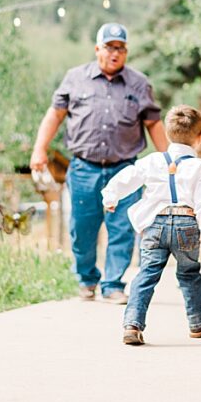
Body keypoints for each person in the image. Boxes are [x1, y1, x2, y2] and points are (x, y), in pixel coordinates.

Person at [30, 23, 167, 303]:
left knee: (122, 228)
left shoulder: (139, 83)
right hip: (83, 168)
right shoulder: (75, 78)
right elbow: (55, 115)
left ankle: (113, 284)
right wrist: (39, 149)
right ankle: (87, 279)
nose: (115, 53)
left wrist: (170, 161)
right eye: (110, 47)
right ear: (97, 49)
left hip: (125, 169)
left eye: (121, 48)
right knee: (81, 229)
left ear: (126, 52)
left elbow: (154, 124)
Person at [100, 105, 201, 345]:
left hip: (155, 225)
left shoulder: (152, 161)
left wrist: (110, 197)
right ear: (199, 138)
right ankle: (198, 322)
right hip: (186, 224)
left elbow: (128, 177)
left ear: (167, 135)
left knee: (146, 273)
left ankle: (132, 324)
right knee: (189, 274)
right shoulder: (200, 167)